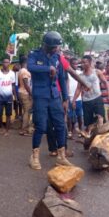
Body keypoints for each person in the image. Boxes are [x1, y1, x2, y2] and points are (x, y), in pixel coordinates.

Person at [27, 31, 73, 170]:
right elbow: (31, 67)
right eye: (54, 47)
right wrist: (48, 68)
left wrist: (65, 98)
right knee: (40, 126)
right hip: (40, 96)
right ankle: (34, 157)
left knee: (60, 125)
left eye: (57, 47)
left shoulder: (57, 57)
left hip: (54, 96)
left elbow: (61, 79)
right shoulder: (34, 55)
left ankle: (61, 156)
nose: (56, 49)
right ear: (46, 45)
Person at [73, 55, 109, 129]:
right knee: (89, 123)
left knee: (100, 118)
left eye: (85, 62)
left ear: (90, 62)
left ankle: (100, 135)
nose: (83, 64)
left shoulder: (97, 72)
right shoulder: (80, 76)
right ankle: (90, 137)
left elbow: (105, 82)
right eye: (82, 63)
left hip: (97, 98)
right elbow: (78, 89)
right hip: (86, 100)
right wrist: (74, 100)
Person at [0, 56, 16, 136]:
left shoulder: (12, 73)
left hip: (9, 97)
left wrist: (15, 96)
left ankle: (7, 130)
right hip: (0, 97)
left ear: (9, 63)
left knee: (8, 114)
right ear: (2, 63)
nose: (6, 63)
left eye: (7, 62)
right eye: (4, 62)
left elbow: (13, 86)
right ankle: (1, 126)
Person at [67, 58, 83, 138]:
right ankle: (70, 131)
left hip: (78, 98)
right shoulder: (67, 74)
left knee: (79, 116)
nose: (75, 65)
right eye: (73, 64)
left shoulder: (80, 73)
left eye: (76, 64)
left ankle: (80, 130)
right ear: (70, 64)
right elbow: (67, 86)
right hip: (69, 97)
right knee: (70, 116)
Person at [18, 55, 33, 136]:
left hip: (21, 92)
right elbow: (26, 84)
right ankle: (24, 130)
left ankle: (25, 128)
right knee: (27, 112)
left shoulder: (21, 71)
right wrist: (31, 94)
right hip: (25, 93)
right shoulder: (24, 72)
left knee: (25, 111)